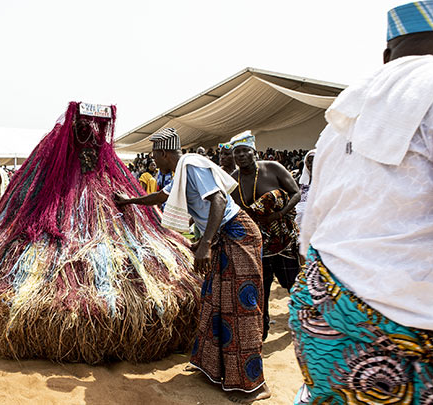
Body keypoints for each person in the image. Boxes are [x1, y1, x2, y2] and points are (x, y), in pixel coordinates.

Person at [290, 2, 433, 403]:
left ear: (386, 56)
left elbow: (311, 218)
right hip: (408, 324)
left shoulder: (343, 120)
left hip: (322, 305)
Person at [114, 128, 270, 403]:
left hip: (237, 236)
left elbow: (219, 200)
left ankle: (255, 385)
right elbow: (161, 197)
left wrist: (206, 243)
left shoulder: (192, 164)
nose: (153, 161)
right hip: (223, 237)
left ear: (163, 153)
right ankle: (211, 368)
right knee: (214, 301)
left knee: (240, 309)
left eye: (154, 155)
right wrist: (129, 201)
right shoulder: (181, 172)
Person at [229, 132, 300, 341]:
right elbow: (234, 211)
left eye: (245, 151)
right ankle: (263, 330)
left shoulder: (272, 168)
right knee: (262, 289)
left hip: (284, 240)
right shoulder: (233, 180)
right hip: (258, 244)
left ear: (254, 152)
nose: (241, 156)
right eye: (237, 153)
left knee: (292, 284)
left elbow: (295, 193)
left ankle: (303, 323)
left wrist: (280, 213)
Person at [293, 149, 315, 228]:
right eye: (309, 161)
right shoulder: (299, 180)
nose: (311, 164)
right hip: (300, 223)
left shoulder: (327, 181)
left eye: (314, 161)